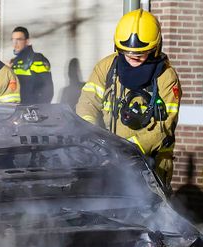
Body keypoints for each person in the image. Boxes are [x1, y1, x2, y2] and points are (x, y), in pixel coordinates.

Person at [75, 9, 181, 187]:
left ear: (155, 48)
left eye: (141, 53)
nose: (133, 57)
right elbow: (87, 104)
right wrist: (91, 138)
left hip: (150, 163)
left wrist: (125, 150)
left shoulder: (166, 77)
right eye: (127, 52)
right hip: (108, 161)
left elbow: (164, 127)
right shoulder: (107, 67)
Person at [9, 26, 53, 104]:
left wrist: (37, 111)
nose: (15, 43)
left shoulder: (38, 60)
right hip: (15, 110)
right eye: (13, 40)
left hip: (31, 111)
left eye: (18, 39)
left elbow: (47, 91)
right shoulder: (13, 62)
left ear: (27, 41)